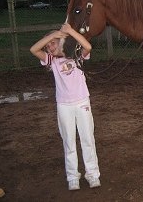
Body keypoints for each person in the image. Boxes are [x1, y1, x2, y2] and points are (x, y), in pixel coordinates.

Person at [30, 23, 100, 191]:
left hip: (82, 101)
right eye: (47, 46)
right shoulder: (51, 60)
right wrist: (52, 36)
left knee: (87, 139)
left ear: (61, 42)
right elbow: (34, 49)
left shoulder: (76, 55)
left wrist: (68, 32)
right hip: (63, 105)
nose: (49, 47)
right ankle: (72, 177)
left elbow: (88, 46)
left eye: (53, 43)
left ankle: (92, 174)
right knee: (68, 141)